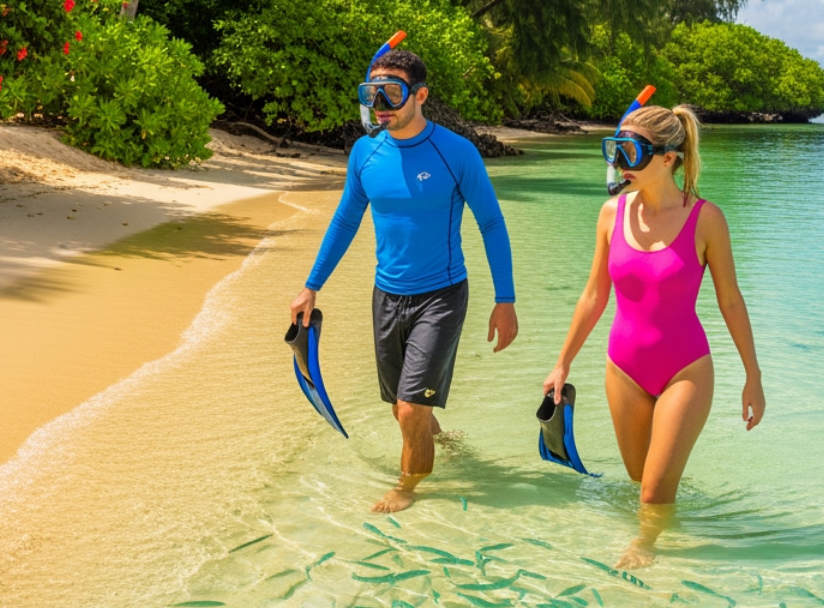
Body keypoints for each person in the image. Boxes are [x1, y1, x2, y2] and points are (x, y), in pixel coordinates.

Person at [290, 48, 518, 512]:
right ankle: (442, 441)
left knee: (410, 408)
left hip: (442, 294)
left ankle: (409, 490)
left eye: (392, 92)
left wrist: (505, 298)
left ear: (421, 95)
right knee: (402, 407)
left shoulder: (455, 152)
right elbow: (345, 222)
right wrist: (311, 285)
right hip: (387, 295)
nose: (381, 102)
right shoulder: (365, 152)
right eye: (372, 93)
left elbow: (491, 223)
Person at [541, 104, 764, 568]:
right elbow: (592, 297)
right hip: (623, 369)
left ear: (669, 158)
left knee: (653, 493)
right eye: (614, 150)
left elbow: (731, 301)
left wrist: (753, 375)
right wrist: (562, 363)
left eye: (631, 152)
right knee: (643, 483)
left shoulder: (707, 219)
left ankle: (647, 552)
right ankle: (673, 550)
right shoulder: (609, 214)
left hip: (686, 369)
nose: (620, 163)